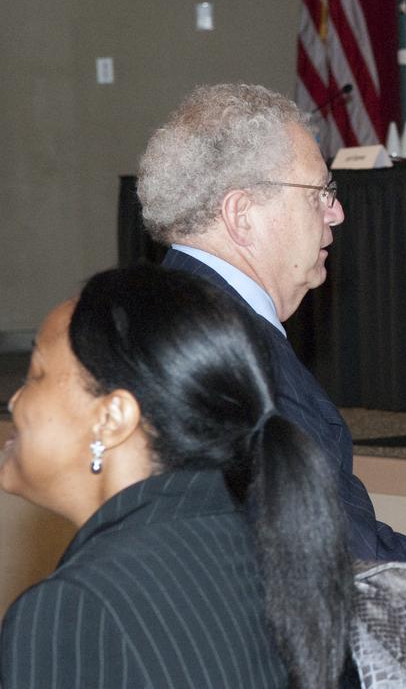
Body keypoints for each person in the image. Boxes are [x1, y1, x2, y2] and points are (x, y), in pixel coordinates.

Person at [136, 83, 406, 585]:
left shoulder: (159, 315)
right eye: (321, 192)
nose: (337, 213)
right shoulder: (243, 360)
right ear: (242, 215)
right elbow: (328, 554)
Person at [0, 264, 350, 689]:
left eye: (36, 374)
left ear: (112, 418)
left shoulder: (76, 606)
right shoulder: (268, 551)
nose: (15, 401)